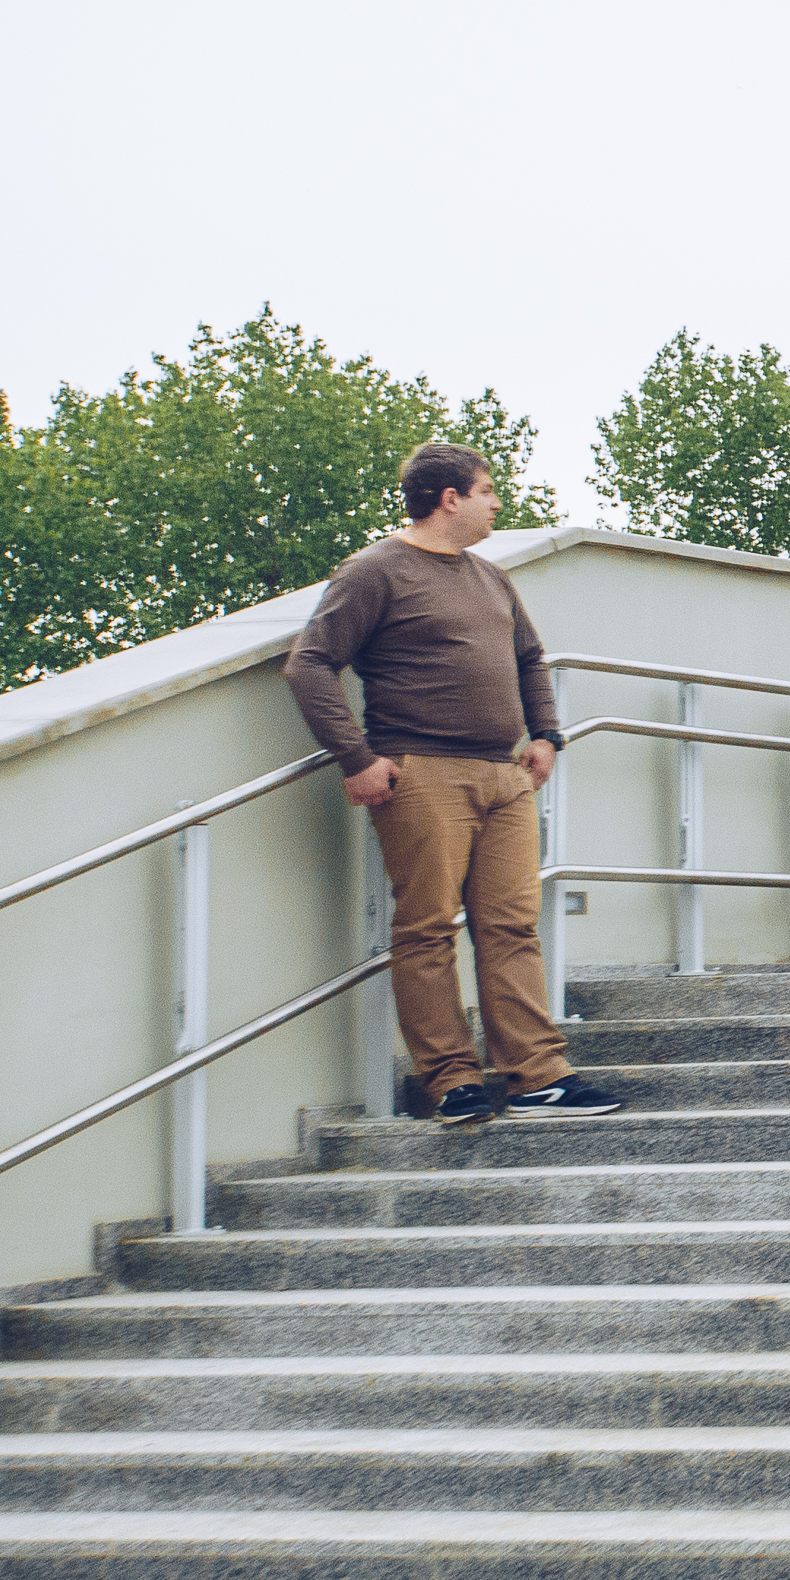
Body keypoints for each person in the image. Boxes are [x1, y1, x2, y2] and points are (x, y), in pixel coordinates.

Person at [285, 443, 615, 1126]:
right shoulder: (375, 571)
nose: (497, 502)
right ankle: (450, 1080)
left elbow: (530, 658)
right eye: (488, 489)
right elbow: (310, 664)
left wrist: (547, 735)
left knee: (512, 926)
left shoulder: (492, 579)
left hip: (504, 773)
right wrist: (354, 756)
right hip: (421, 770)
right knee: (428, 928)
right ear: (449, 498)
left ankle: (536, 1077)